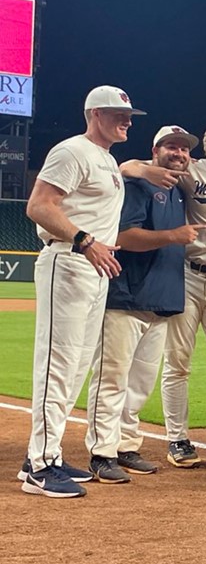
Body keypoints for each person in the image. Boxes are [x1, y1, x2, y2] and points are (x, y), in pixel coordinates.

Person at [122, 111, 206, 472]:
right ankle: (178, 438)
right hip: (185, 275)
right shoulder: (193, 171)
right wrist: (142, 169)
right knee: (178, 362)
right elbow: (126, 167)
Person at [20, 86, 140, 497]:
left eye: (128, 115)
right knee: (58, 363)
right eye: (117, 113)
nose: (126, 120)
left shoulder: (105, 159)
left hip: (93, 269)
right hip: (69, 260)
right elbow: (38, 205)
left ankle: (45, 452)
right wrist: (85, 240)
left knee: (75, 366)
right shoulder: (72, 151)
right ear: (93, 114)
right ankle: (40, 466)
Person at [84, 125, 199, 484]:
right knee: (112, 378)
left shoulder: (180, 189)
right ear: (155, 150)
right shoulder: (136, 185)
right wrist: (174, 236)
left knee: (140, 383)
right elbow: (121, 236)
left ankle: (126, 446)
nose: (178, 153)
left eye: (183, 149)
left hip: (161, 300)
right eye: (171, 147)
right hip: (127, 296)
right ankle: (102, 452)